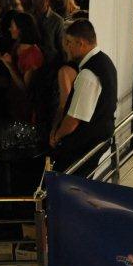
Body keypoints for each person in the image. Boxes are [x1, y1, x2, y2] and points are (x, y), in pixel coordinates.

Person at [49, 19, 117, 172]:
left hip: (85, 144)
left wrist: (57, 136)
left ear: (81, 43)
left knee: (68, 182)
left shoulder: (88, 74)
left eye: (69, 42)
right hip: (99, 137)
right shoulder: (105, 61)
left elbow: (74, 119)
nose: (66, 47)